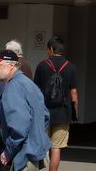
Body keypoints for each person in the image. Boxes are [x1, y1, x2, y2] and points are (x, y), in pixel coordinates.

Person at [0, 50, 51, 171]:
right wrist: (35, 136)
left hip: (22, 156)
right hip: (34, 152)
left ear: (11, 65)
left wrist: (8, 151)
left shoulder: (13, 88)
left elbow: (20, 127)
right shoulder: (28, 83)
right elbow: (45, 116)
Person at [33, 36, 78, 171]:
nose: (47, 52)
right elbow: (74, 93)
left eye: (48, 49)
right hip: (63, 112)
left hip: (44, 112)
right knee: (56, 147)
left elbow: (36, 90)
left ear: (51, 49)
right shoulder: (71, 67)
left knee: (40, 143)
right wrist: (74, 113)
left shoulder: (42, 65)